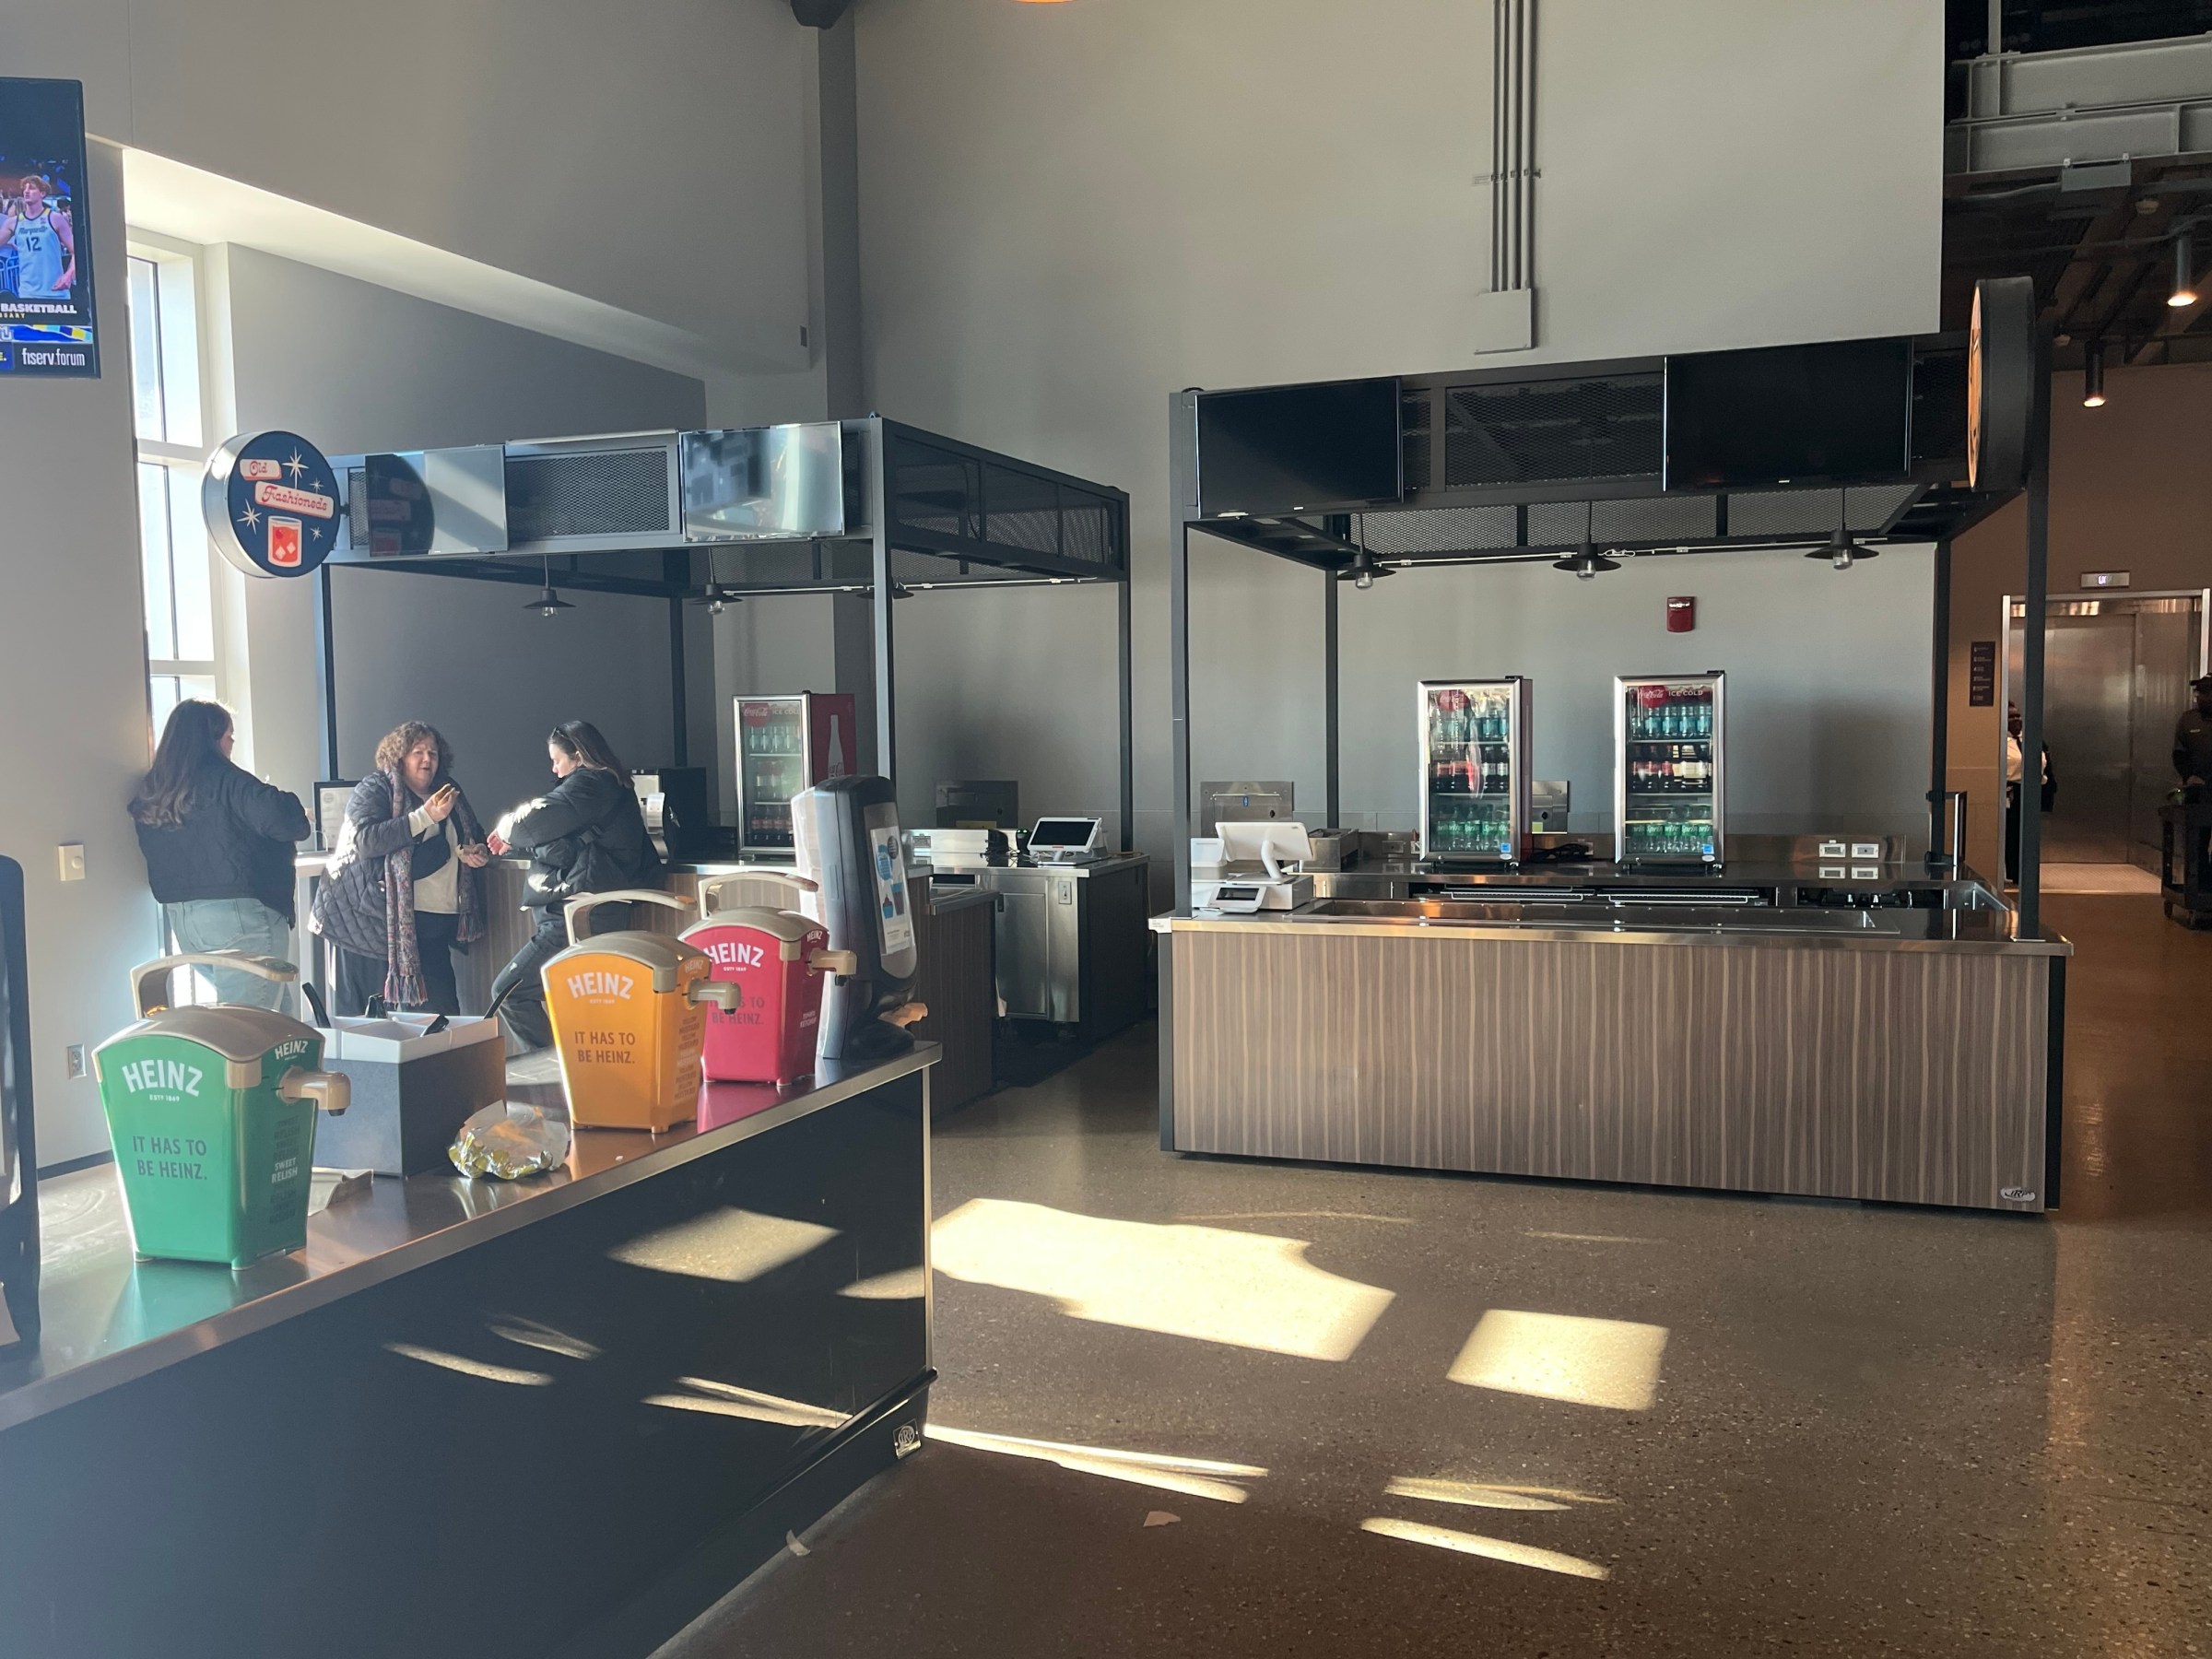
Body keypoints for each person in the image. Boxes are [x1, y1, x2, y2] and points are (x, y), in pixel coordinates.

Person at [485, 721, 661, 1050]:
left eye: (557, 759)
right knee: (576, 1004)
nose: (554, 768)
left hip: (577, 914)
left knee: (510, 992)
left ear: (577, 756)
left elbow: (531, 825)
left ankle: (554, 1072)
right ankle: (567, 1073)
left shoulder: (590, 785)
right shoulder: (608, 787)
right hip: (589, 910)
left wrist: (506, 827)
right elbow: (560, 839)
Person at [129, 700, 311, 1012]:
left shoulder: (156, 790)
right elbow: (289, 821)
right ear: (212, 738)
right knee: (253, 1029)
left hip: (185, 922)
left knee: (274, 1017)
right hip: (242, 920)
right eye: (230, 736)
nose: (232, 745)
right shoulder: (228, 781)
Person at [312, 723, 490, 1017]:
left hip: (433, 924)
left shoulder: (449, 793)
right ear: (399, 757)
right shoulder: (376, 788)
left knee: (441, 1016)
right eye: (417, 752)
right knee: (373, 1023)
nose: (427, 759)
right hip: (368, 921)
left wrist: (475, 850)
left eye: (432, 752)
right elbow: (365, 841)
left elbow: (473, 833)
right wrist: (424, 816)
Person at [2004, 700, 2055, 885]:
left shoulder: (2032, 740)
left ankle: (2027, 872)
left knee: (2030, 833)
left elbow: (2046, 767)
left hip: (2032, 790)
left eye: (2018, 716)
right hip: (2011, 792)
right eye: (2011, 717)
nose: (2016, 720)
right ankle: (2014, 872)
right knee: (2012, 833)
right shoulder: (2001, 743)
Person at [0, 176, 75, 302]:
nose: (27, 191)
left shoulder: (55, 218)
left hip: (56, 293)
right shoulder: (13, 222)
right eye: (25, 188)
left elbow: (76, 251)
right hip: (27, 293)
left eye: (32, 188)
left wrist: (69, 275)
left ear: (42, 193)